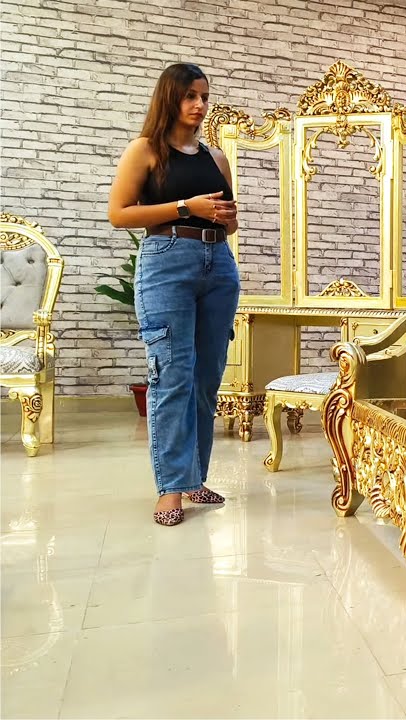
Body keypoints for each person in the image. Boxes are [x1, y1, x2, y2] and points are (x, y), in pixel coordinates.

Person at [107, 63, 240, 526]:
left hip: (218, 262)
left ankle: (194, 478)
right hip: (167, 261)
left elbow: (229, 221)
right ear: (170, 98)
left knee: (206, 377)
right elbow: (120, 214)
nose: (199, 105)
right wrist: (186, 206)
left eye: (204, 96)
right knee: (172, 375)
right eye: (189, 96)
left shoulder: (216, 157)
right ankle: (170, 488)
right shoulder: (145, 150)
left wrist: (226, 218)